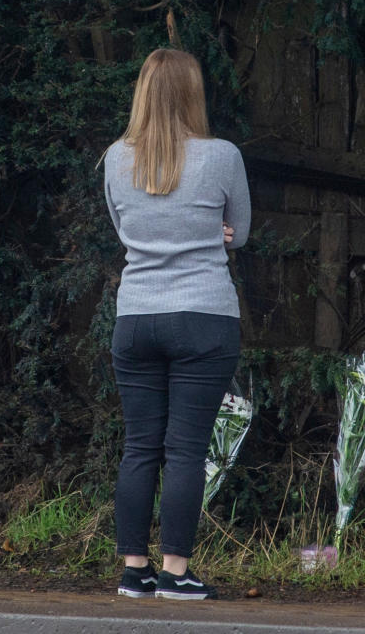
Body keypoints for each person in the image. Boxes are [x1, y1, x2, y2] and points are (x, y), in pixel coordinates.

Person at [102, 48, 250, 600]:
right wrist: (216, 230)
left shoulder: (116, 158)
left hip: (136, 316)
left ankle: (134, 571)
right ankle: (175, 572)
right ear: (194, 92)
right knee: (185, 448)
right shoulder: (223, 156)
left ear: (142, 91)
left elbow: (124, 229)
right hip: (203, 317)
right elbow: (243, 229)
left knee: (140, 446)